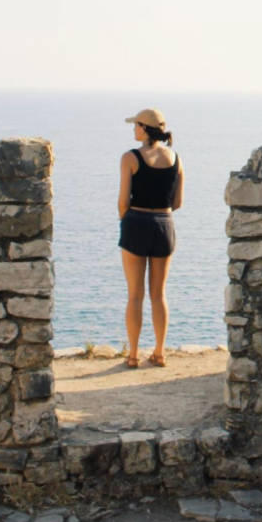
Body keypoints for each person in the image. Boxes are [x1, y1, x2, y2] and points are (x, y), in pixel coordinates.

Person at [117, 108, 184, 368]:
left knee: (135, 294)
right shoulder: (176, 158)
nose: (133, 129)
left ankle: (133, 355)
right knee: (159, 294)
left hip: (136, 222)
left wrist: (129, 221)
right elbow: (178, 201)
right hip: (165, 225)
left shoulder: (130, 158)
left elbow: (123, 202)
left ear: (144, 128)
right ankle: (159, 353)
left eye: (136, 125)